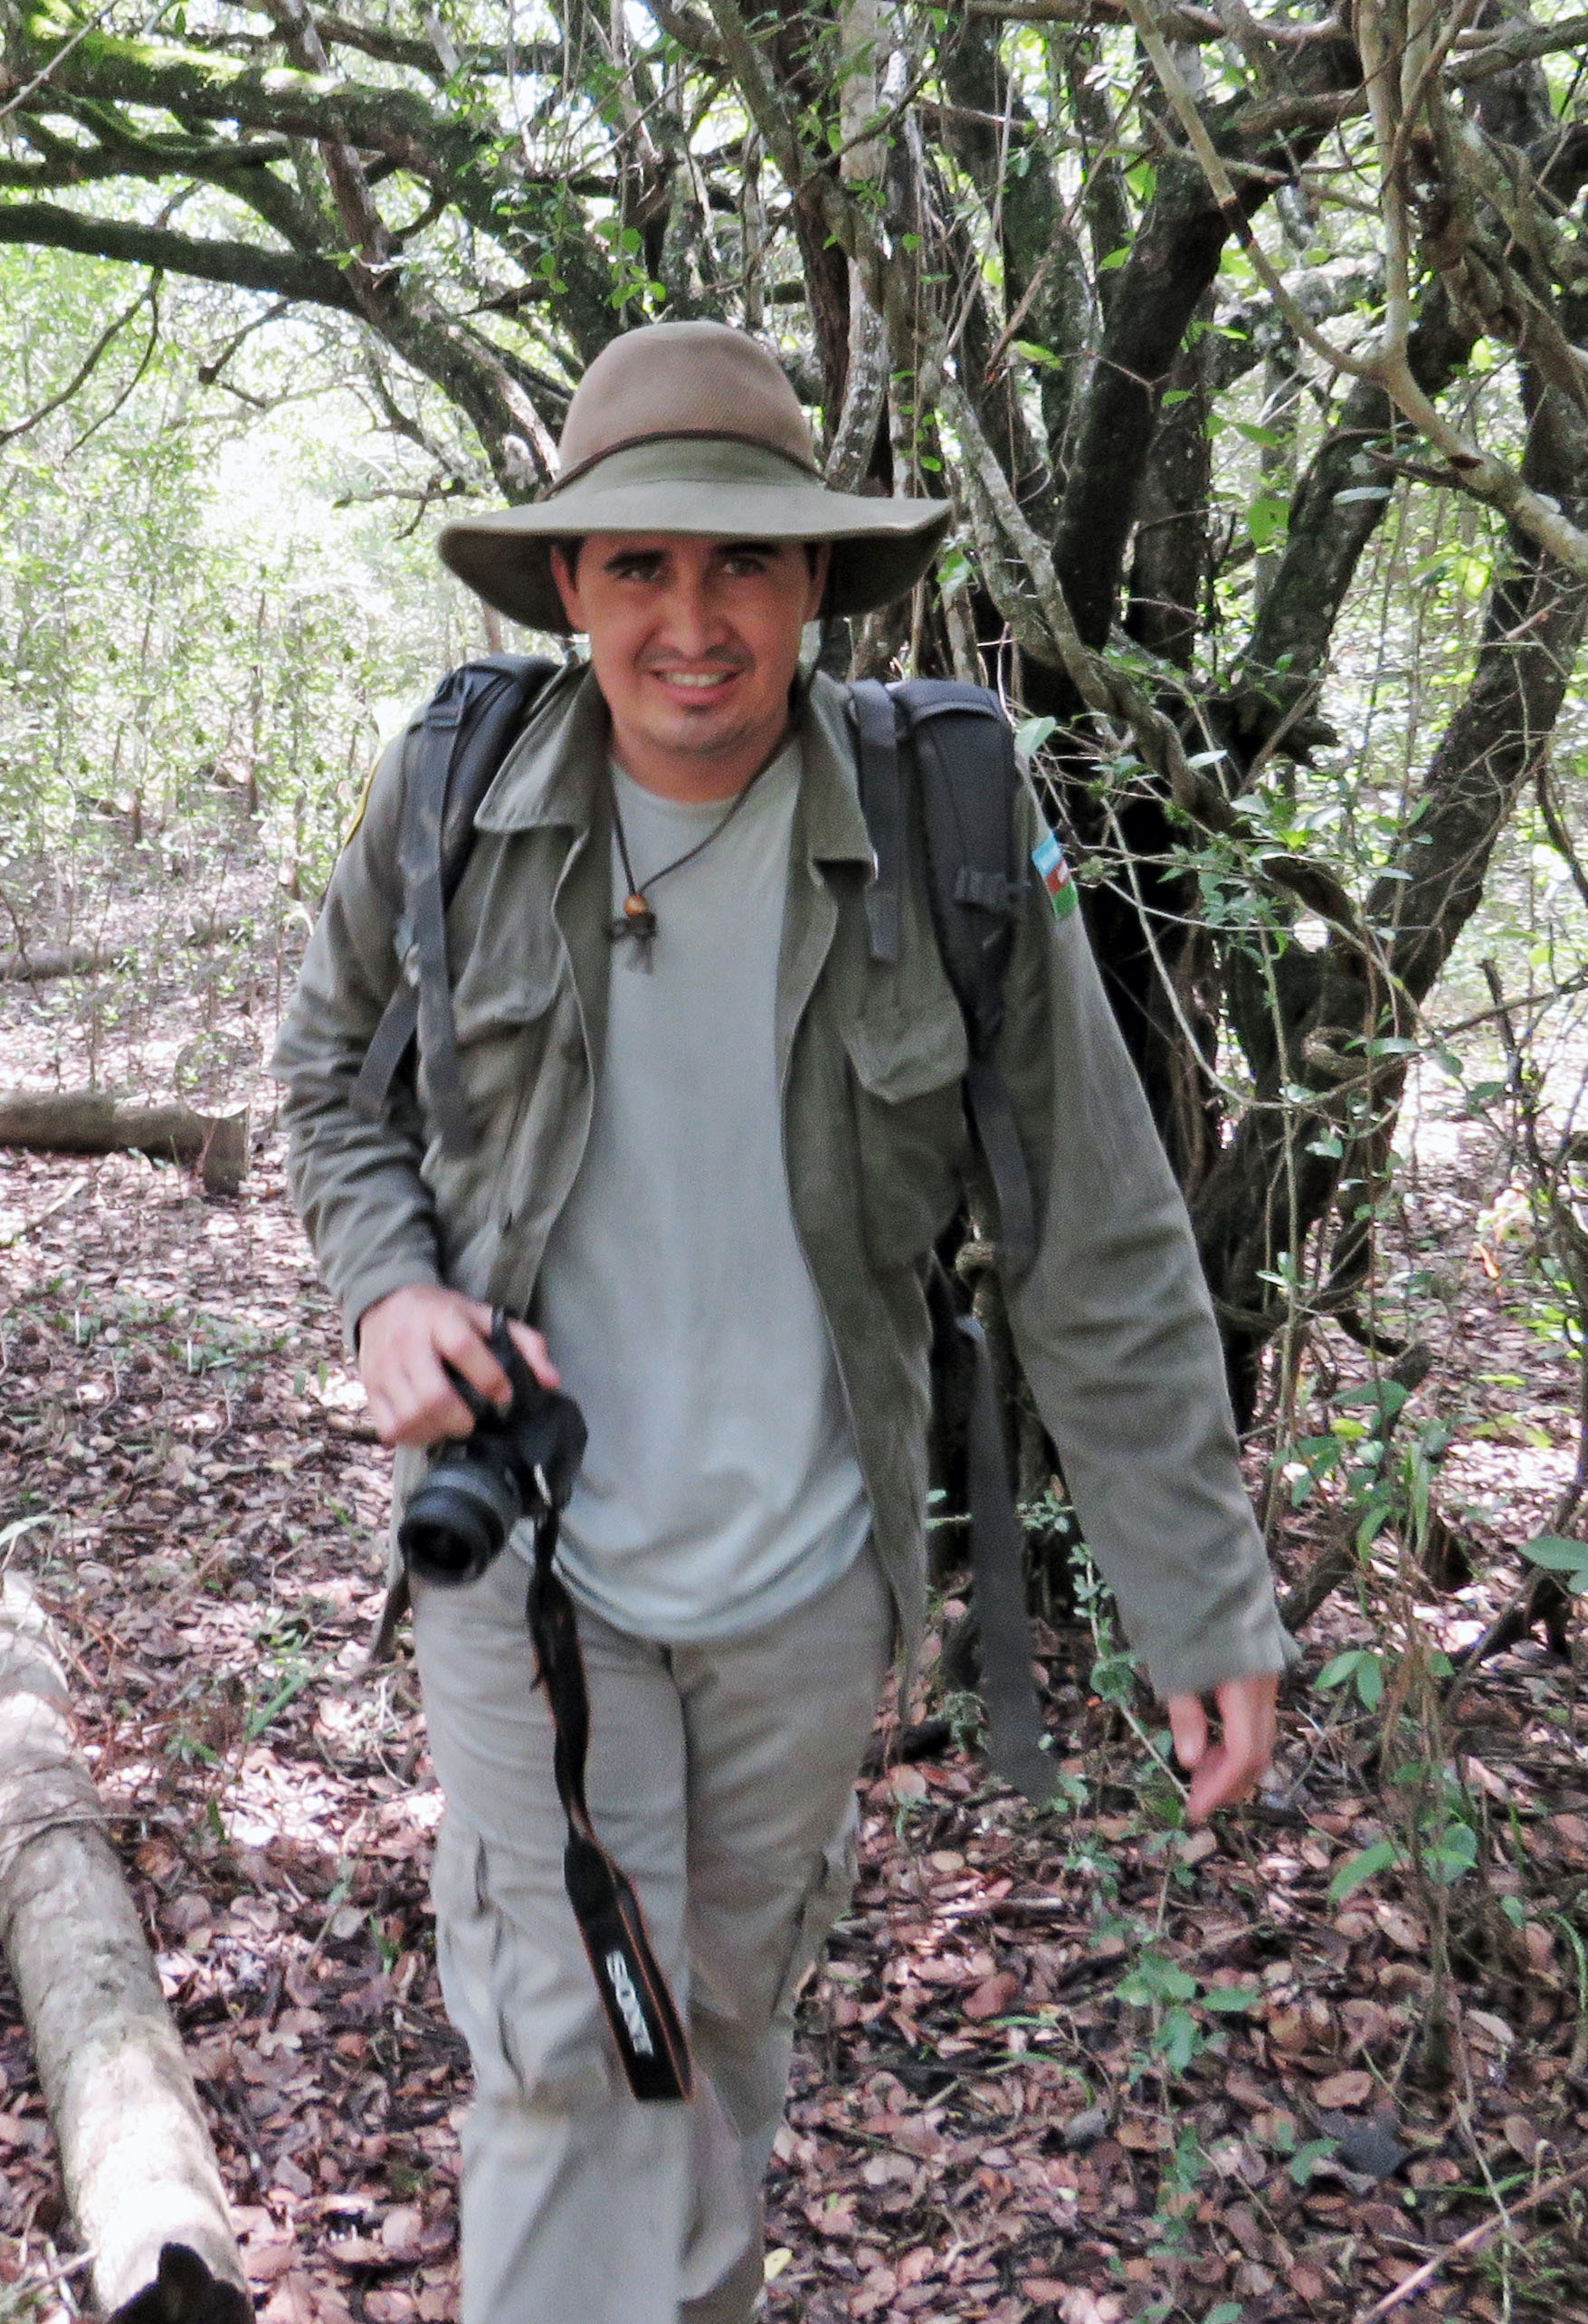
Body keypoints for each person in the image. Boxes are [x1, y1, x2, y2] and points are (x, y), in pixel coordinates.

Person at [271, 319, 1290, 2324]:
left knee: (716, 2038)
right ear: (565, 587)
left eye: (743, 562)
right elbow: (325, 1083)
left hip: (810, 1575)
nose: (693, 622)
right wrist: (389, 1290)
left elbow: (1092, 1229)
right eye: (638, 565)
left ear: (817, 578)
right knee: (569, 2055)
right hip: (525, 1556)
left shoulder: (952, 827)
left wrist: (1199, 1593)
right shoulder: (454, 796)